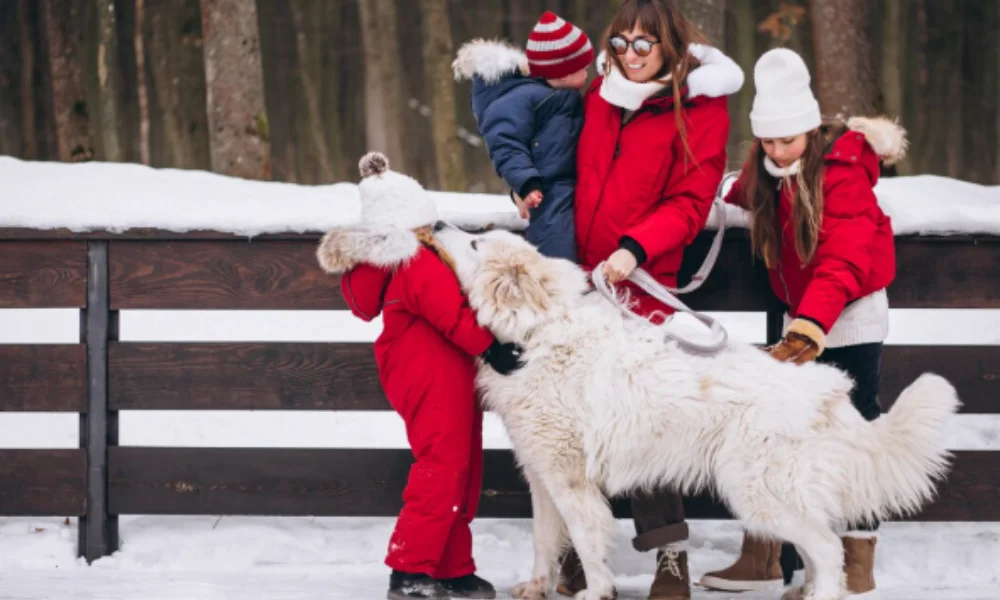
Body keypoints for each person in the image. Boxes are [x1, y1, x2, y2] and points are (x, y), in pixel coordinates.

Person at [700, 48, 906, 598]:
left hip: (851, 315)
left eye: (786, 140)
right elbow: (734, 193)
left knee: (854, 428)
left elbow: (843, 261)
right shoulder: (766, 170)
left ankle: (856, 562)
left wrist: (808, 330)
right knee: (784, 431)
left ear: (811, 130)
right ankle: (770, 554)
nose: (776, 150)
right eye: (766, 141)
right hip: (802, 320)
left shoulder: (844, 174)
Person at [564, 0, 745, 598]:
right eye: (621, 43)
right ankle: (578, 549)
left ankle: (670, 552)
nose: (631, 55)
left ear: (670, 46)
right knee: (572, 419)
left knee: (639, 420)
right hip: (580, 281)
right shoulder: (598, 95)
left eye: (645, 44)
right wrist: (530, 191)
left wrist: (635, 249)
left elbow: (693, 201)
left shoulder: (700, 108)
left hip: (642, 284)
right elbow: (571, 169)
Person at [316, 152, 525, 600]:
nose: (430, 232)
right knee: (444, 467)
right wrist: (491, 348)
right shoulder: (414, 262)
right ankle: (410, 568)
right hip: (431, 376)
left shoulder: (406, 259)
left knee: (460, 468)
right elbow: (450, 315)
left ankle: (451, 566)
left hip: (438, 374)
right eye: (422, 224)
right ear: (401, 227)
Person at [454, 10, 594, 261]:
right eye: (582, 68)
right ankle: (556, 283)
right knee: (555, 242)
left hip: (569, 182)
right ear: (562, 73)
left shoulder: (556, 93)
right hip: (546, 188)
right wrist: (526, 183)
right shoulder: (519, 100)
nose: (587, 73)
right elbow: (505, 144)